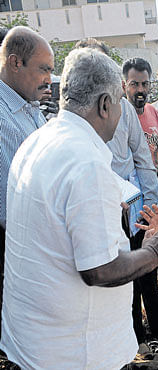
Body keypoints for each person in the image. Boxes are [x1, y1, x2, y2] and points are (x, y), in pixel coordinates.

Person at [0, 47, 158, 369]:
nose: (121, 114)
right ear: (105, 105)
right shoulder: (87, 164)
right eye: (119, 102)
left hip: (34, 342)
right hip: (73, 354)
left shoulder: (38, 140)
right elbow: (99, 270)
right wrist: (156, 251)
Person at [75, 39, 158, 347]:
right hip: (100, 208)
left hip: (133, 206)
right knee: (115, 276)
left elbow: (142, 158)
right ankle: (131, 339)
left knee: (146, 273)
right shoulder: (75, 118)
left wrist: (151, 206)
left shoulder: (123, 107)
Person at [0, 26, 53, 335]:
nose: (48, 78)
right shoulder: (4, 120)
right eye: (43, 69)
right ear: (15, 63)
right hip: (20, 257)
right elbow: (11, 211)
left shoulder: (31, 109)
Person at [123, 57, 158, 209]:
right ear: (124, 86)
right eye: (134, 84)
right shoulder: (120, 120)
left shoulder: (151, 110)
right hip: (140, 204)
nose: (140, 90)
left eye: (145, 84)